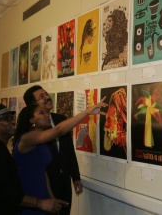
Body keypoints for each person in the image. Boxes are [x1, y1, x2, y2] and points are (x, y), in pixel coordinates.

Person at [22, 84, 107, 215]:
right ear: (32, 107)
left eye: (46, 94)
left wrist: (75, 177)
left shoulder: (60, 119)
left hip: (64, 183)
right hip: (45, 185)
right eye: (41, 97)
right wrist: (87, 112)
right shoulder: (30, 133)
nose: (47, 97)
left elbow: (68, 150)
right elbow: (58, 130)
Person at [0, 104, 68, 215]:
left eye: (12, 118)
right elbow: (5, 193)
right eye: (6, 119)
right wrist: (39, 203)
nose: (12, 122)